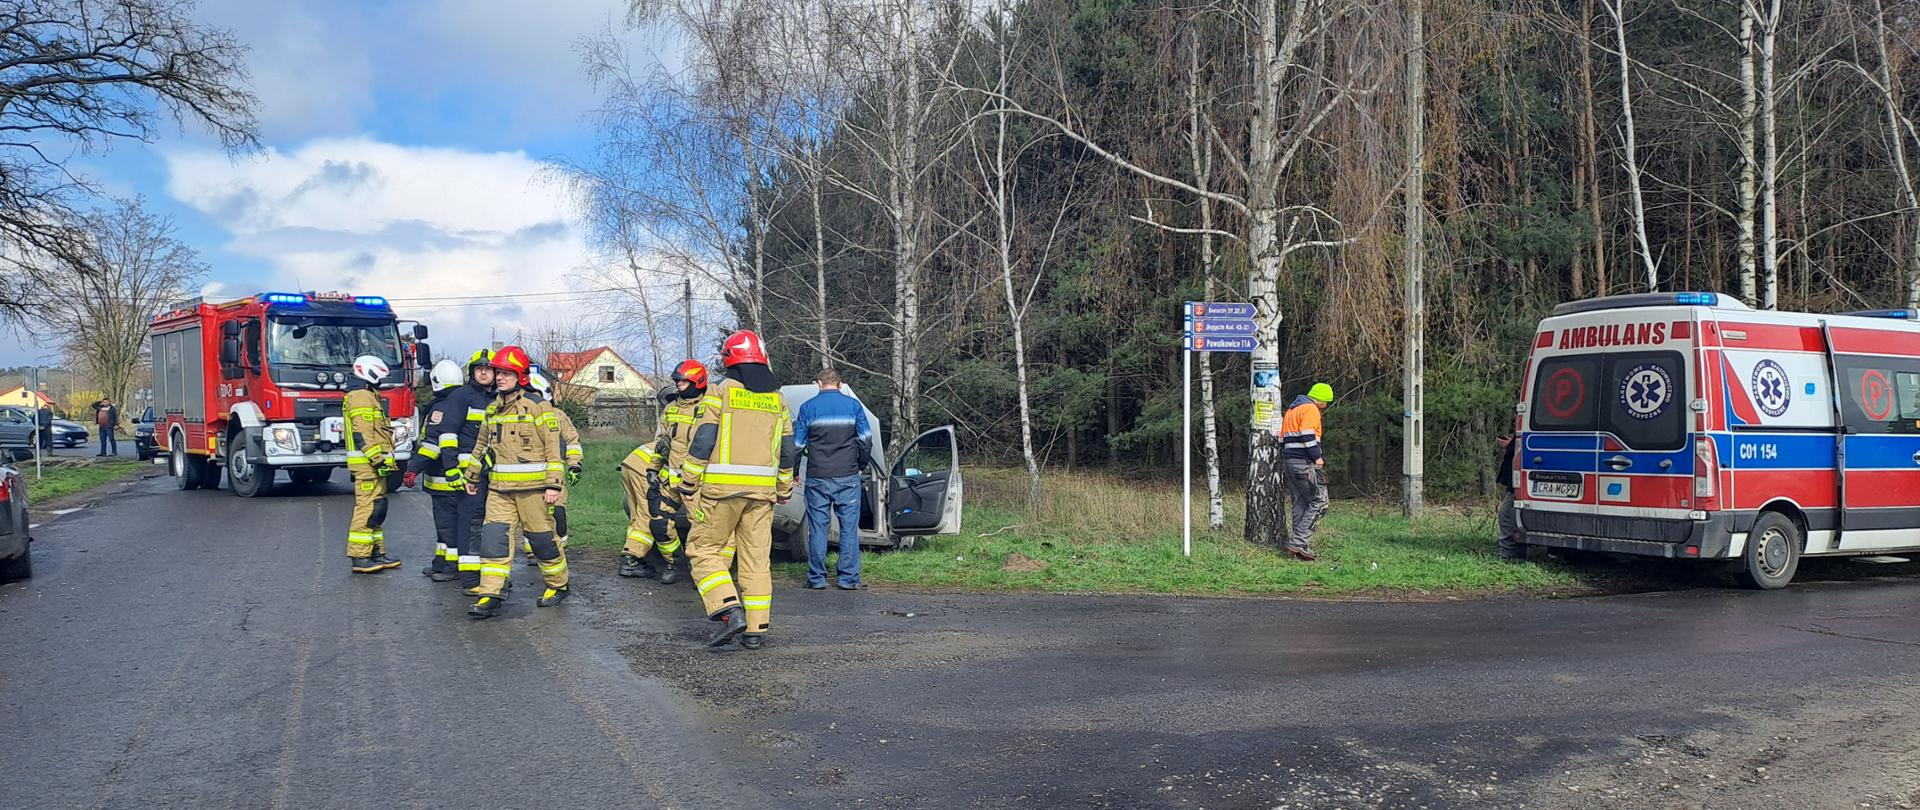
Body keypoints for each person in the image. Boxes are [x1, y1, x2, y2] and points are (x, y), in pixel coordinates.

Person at [679, 330, 796, 650]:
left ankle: (727, 609)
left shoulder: (719, 392)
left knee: (703, 550)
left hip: (721, 492)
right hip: (762, 496)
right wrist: (784, 488)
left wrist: (688, 483)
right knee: (757, 559)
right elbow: (788, 450)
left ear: (729, 359)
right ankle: (756, 629)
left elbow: (703, 441)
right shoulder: (778, 400)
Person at [462, 346, 569, 618]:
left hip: (534, 491)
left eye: (506, 373)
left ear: (520, 376)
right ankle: (490, 594)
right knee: (493, 540)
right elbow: (480, 447)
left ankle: (558, 585)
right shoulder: (491, 410)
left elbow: (553, 450)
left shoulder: (539, 408)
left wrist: (553, 485)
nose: (499, 377)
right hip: (499, 490)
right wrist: (471, 477)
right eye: (498, 372)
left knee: (542, 541)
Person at [619, 360, 712, 584]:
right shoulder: (671, 410)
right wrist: (653, 469)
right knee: (659, 523)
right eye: (677, 381)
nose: (679, 384)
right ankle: (673, 563)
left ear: (697, 381)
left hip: (698, 482)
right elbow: (662, 443)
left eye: (683, 381)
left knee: (702, 529)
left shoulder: (709, 408)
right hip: (671, 480)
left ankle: (704, 571)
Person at [794, 367, 873, 590]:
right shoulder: (853, 406)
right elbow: (866, 441)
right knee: (849, 527)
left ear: (818, 384)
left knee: (818, 528)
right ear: (840, 384)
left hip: (818, 476)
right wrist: (861, 465)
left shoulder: (807, 408)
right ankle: (848, 579)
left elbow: (798, 445)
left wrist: (793, 472)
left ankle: (816, 578)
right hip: (847, 475)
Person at [407, 359, 468, 582]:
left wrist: (413, 468)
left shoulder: (441, 407)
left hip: (443, 478)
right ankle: (440, 563)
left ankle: (451, 568)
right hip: (454, 476)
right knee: (447, 525)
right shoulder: (461, 402)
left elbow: (433, 444)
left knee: (447, 525)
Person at [345, 355, 403, 573]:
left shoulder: (368, 395)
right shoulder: (361, 397)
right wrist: (377, 459)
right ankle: (359, 557)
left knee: (377, 510)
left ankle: (375, 552)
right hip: (368, 466)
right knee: (367, 509)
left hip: (373, 466)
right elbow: (363, 434)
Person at [523, 364, 584, 564]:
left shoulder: (558, 416)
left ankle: (559, 548)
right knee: (531, 514)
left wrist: (575, 464)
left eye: (535, 393)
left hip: (552, 473)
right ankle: (534, 550)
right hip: (524, 475)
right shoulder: (516, 415)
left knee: (557, 511)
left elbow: (572, 441)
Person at [450, 350, 497, 594]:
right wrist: (453, 471)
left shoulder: (499, 399)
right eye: (479, 368)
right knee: (472, 522)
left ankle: (490, 575)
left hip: (495, 473)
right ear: (471, 371)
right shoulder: (462, 396)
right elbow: (448, 436)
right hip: (470, 473)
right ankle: (470, 577)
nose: (483, 372)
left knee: (492, 523)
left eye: (488, 368)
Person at [1279, 383, 1334, 562]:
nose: (1326, 406)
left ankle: (1299, 549)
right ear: (1320, 399)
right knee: (1320, 502)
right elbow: (1307, 435)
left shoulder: (1291, 411)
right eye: (1326, 402)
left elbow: (1282, 438)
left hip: (1289, 462)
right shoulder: (1310, 409)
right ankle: (1298, 543)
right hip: (1304, 462)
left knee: (1300, 503)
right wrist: (1317, 457)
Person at [1496, 433, 1526, 561]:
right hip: (1515, 481)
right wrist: (1511, 443)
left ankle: (1507, 553)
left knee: (1506, 513)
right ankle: (1517, 552)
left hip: (1517, 483)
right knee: (1513, 515)